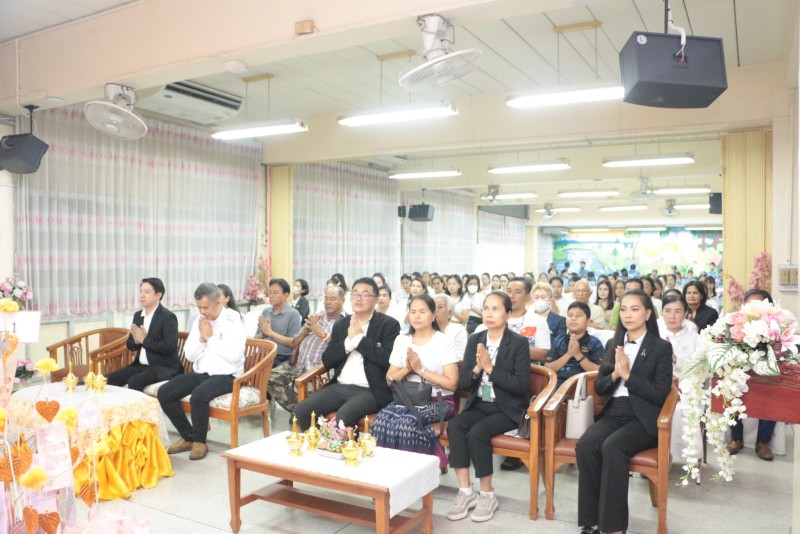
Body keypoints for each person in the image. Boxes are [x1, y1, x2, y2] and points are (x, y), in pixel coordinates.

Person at [576, 289, 673, 534]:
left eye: (635, 309)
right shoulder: (613, 344)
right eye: (624, 309)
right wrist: (615, 375)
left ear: (648, 314)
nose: (628, 315)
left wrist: (629, 377)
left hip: (643, 417)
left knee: (612, 447)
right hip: (614, 412)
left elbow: (660, 394)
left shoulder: (660, 348)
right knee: (586, 445)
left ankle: (614, 527)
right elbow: (600, 387)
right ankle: (592, 520)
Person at [446, 291, 530, 524]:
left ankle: (487, 495)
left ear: (508, 314)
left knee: (477, 433)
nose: (489, 314)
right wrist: (477, 369)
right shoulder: (476, 338)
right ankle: (466, 491)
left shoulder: (519, 343)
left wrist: (491, 369)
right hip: (479, 403)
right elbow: (464, 383)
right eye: (486, 308)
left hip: (507, 408)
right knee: (455, 426)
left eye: (496, 308)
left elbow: (521, 386)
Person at [294, 278, 401, 430]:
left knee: (343, 418)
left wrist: (359, 340)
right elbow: (328, 359)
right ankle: (320, 443)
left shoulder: (388, 325)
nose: (358, 298)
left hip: (369, 389)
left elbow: (388, 359)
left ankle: (347, 446)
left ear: (376, 299)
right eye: (355, 294)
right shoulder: (342, 324)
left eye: (365, 294)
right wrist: (347, 344)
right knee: (302, 410)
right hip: (340, 385)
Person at [159, 283, 246, 460]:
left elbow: (234, 356)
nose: (202, 311)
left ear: (218, 302)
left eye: (205, 307)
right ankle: (189, 437)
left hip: (227, 376)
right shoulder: (199, 321)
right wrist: (201, 338)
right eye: (199, 307)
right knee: (165, 393)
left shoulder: (233, 319)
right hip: (201, 373)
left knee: (198, 396)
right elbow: (190, 356)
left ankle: (200, 441)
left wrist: (210, 338)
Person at [371, 295, 458, 469]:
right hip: (405, 400)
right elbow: (389, 379)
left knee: (408, 423)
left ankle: (414, 473)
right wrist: (407, 369)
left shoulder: (444, 341)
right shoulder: (402, 340)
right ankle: (386, 471)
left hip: (439, 400)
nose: (417, 316)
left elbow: (452, 384)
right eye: (413, 312)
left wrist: (421, 370)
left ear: (433, 315)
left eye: (422, 312)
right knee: (381, 421)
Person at [268, 286, 346, 416]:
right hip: (298, 364)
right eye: (326, 298)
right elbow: (294, 342)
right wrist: (305, 331)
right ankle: (299, 410)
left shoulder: (345, 322)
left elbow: (341, 348)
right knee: (270, 378)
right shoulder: (317, 317)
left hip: (320, 370)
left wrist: (320, 333)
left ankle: (303, 412)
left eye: (332, 299)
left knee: (313, 396)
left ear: (342, 300)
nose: (328, 302)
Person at [727, 288, 778, 461]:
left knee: (772, 393)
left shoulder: (776, 325)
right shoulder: (735, 324)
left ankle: (763, 442)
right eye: (750, 304)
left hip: (765, 373)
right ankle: (736, 438)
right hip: (741, 369)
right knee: (730, 388)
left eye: (759, 304)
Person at [107, 278, 182, 391]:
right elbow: (130, 345)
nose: (142, 295)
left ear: (158, 295)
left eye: (147, 292)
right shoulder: (138, 315)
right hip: (141, 366)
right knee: (109, 379)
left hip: (162, 367)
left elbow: (169, 346)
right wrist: (136, 341)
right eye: (140, 291)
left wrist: (144, 340)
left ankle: (141, 404)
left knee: (134, 382)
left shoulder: (168, 317)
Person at [546, 301, 604, 386]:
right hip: (557, 384)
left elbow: (599, 371)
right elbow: (548, 368)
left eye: (578, 316)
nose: (573, 318)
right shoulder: (559, 340)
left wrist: (578, 355)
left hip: (582, 386)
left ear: (588, 321)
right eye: (570, 315)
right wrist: (568, 355)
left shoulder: (594, 343)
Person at [255, 279, 303, 365]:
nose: (271, 296)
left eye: (275, 292)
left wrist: (270, 333)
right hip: (263, 353)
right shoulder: (266, 312)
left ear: (285, 295)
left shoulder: (293, 314)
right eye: (270, 292)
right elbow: (256, 338)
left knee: (263, 367)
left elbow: (294, 342)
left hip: (281, 356)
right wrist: (263, 334)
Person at [657, 293, 700, 378]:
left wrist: (676, 360)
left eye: (677, 311)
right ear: (661, 312)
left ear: (685, 314)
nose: (672, 316)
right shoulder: (655, 337)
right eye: (667, 311)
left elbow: (700, 367)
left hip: (687, 384)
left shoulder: (696, 338)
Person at [434, 295, 468, 361]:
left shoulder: (458, 330)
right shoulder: (426, 329)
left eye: (440, 307)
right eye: (433, 307)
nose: (435, 310)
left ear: (449, 313)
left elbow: (460, 358)